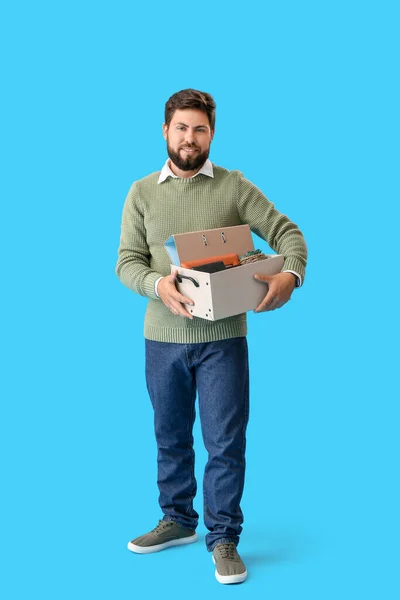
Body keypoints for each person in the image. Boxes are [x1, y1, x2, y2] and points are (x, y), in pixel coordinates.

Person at [115, 89, 307, 584]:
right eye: (181, 127)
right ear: (165, 130)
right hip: (162, 338)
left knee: (225, 441)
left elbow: (288, 234)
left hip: (224, 339)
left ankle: (223, 537)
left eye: (200, 129)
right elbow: (126, 261)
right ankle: (177, 519)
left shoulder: (233, 186)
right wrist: (156, 284)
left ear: (211, 134)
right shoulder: (141, 193)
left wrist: (290, 276)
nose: (189, 138)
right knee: (170, 434)